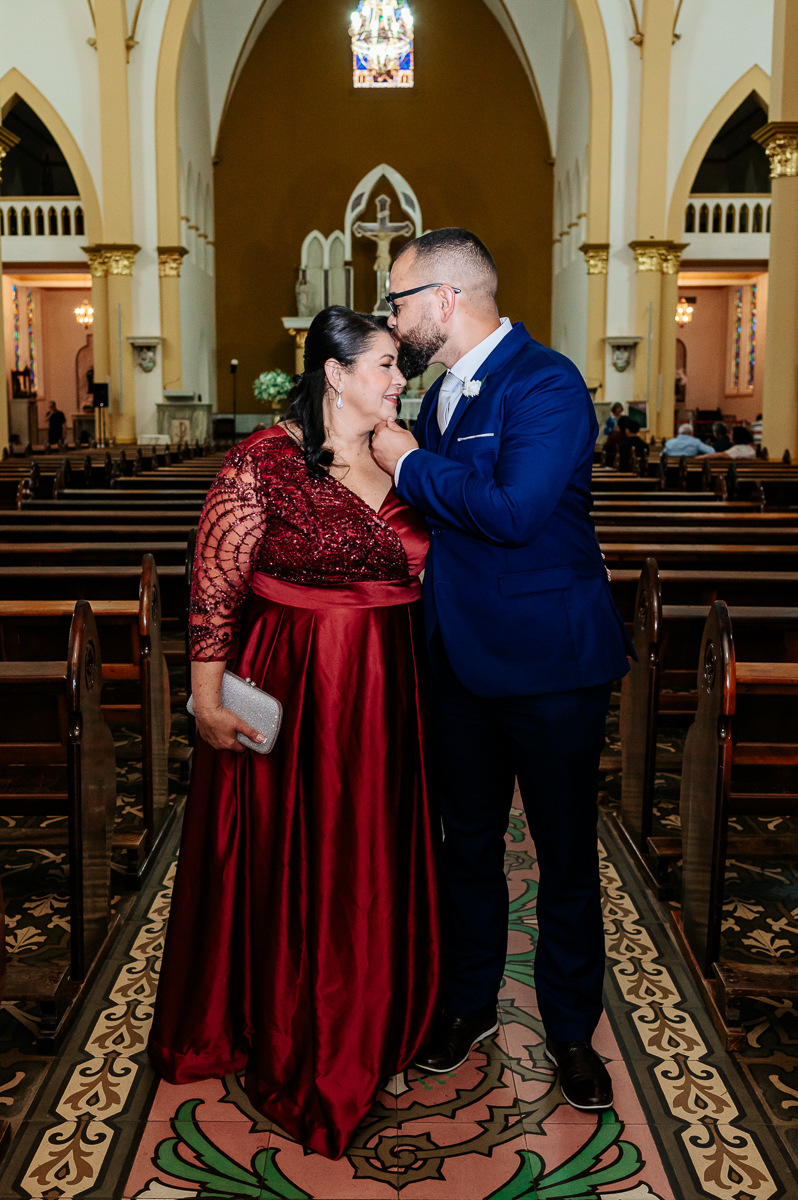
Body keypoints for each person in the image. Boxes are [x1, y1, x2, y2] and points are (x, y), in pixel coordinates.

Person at [148, 307, 441, 1159]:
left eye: (398, 366)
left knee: (377, 850)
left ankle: (386, 1009)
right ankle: (290, 1019)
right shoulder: (260, 463)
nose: (398, 380)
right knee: (300, 850)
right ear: (337, 373)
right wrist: (206, 701)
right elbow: (213, 588)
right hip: (296, 679)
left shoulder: (406, 452)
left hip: (395, 686)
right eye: (386, 365)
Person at [371, 228, 633, 1112]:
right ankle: (469, 1003)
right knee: (466, 849)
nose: (393, 318)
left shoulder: (547, 381)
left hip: (553, 664)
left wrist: (406, 461)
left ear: (445, 299)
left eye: (398, 300)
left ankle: (569, 1028)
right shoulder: (442, 390)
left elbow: (517, 512)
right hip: (458, 661)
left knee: (562, 857)